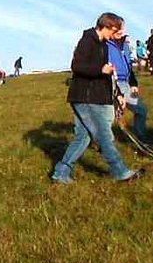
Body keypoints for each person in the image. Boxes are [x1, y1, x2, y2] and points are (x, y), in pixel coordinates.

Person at [50, 13, 143, 184]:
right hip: (85, 97)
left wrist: (119, 96)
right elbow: (77, 66)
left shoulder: (103, 45)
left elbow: (108, 74)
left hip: (96, 96)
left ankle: (60, 173)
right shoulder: (88, 39)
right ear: (107, 26)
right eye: (116, 29)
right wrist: (100, 70)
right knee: (104, 136)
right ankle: (120, 171)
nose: (117, 33)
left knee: (83, 137)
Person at [108, 27, 148, 140]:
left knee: (141, 110)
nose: (120, 31)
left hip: (126, 84)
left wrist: (133, 84)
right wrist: (116, 93)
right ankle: (104, 144)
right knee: (110, 116)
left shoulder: (125, 44)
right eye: (117, 29)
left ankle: (141, 138)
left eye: (122, 28)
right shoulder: (105, 44)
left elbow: (129, 66)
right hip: (112, 83)